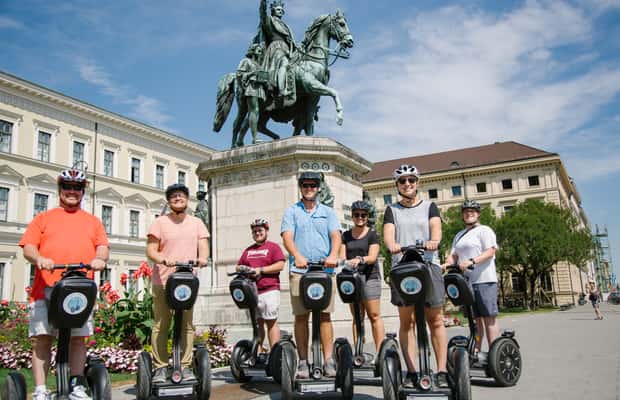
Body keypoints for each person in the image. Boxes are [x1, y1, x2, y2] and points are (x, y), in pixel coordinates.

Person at [19, 168, 109, 400]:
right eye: (67, 186)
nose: (72, 191)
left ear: (82, 192)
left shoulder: (93, 222)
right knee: (42, 338)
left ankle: (76, 386)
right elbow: (29, 247)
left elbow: (102, 247)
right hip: (46, 289)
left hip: (79, 291)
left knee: (78, 339)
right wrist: (39, 258)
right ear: (60, 189)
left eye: (77, 187)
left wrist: (99, 259)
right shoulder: (43, 218)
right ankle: (40, 390)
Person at [382, 164, 449, 388]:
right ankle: (411, 371)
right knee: (407, 321)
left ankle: (441, 371)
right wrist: (392, 245)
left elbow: (436, 229)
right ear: (397, 185)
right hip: (403, 266)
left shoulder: (430, 206)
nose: (407, 184)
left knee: (435, 319)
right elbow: (388, 234)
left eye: (411, 180)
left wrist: (434, 241)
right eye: (402, 181)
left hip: (429, 264)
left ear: (417, 182)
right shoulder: (392, 210)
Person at [146, 184, 210, 383]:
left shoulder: (197, 223)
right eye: (173, 196)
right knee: (161, 324)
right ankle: (160, 367)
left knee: (186, 325)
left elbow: (203, 246)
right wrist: (162, 259)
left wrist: (203, 258)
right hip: (163, 280)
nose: (177, 198)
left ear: (187, 199)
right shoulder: (160, 223)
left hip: (186, 282)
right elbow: (151, 250)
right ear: (168, 200)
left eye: (181, 195)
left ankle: (185, 365)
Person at [281, 171, 341, 379]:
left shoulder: (328, 212)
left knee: (325, 316)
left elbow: (336, 236)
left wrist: (333, 255)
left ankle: (328, 360)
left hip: (325, 271)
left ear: (318, 188)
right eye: (305, 185)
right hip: (300, 271)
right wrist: (297, 255)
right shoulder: (292, 212)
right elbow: (287, 237)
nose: (309, 189)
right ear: (300, 187)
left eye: (313, 185)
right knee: (301, 316)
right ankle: (303, 361)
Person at [443, 200, 500, 358]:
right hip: (467, 283)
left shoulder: (484, 230)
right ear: (462, 215)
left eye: (472, 211)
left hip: (485, 280)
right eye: (466, 211)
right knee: (475, 319)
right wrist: (446, 264)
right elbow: (454, 255)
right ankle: (476, 351)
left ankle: (494, 353)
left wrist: (472, 261)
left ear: (478, 214)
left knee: (488, 317)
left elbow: (490, 251)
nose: (469, 214)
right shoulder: (459, 235)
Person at [339, 200, 385, 352]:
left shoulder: (372, 235)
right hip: (352, 279)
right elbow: (342, 256)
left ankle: (380, 352)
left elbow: (372, 257)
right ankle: (359, 352)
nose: (360, 218)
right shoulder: (346, 235)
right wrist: (344, 261)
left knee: (374, 315)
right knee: (357, 316)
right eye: (357, 215)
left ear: (367, 217)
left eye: (363, 215)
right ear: (352, 216)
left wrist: (360, 259)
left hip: (370, 277)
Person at [236, 218, 286, 352]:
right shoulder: (248, 250)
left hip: (270, 289)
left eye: (260, 230)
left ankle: (275, 353)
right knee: (258, 324)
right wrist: (242, 269)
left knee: (271, 321)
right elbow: (239, 266)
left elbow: (280, 265)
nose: (257, 233)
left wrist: (261, 270)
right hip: (253, 292)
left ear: (266, 231)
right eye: (255, 231)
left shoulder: (273, 247)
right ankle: (257, 352)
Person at [259, 0, 296, 103]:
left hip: (287, 49)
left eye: (282, 10)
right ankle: (281, 90)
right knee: (284, 62)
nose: (281, 11)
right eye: (278, 9)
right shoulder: (269, 20)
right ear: (273, 10)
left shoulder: (285, 26)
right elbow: (262, 14)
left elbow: (291, 41)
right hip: (276, 48)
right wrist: (263, 3)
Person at [233, 43, 267, 146]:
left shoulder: (259, 65)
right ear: (252, 50)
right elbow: (239, 74)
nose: (260, 52)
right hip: (251, 88)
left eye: (261, 51)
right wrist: (252, 73)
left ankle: (239, 140)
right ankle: (255, 138)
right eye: (258, 50)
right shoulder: (246, 61)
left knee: (253, 114)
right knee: (253, 111)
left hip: (259, 89)